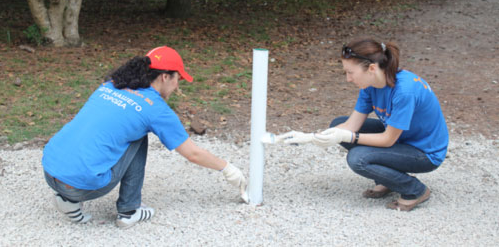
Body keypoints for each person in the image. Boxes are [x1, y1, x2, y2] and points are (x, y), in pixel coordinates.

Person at [42, 46, 247, 228]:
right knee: (139, 137)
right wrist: (228, 169)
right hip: (83, 186)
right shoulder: (154, 108)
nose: (178, 87)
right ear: (165, 77)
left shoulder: (112, 85)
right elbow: (192, 153)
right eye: (178, 79)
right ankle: (129, 211)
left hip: (50, 171)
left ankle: (67, 200)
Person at [271, 38, 449, 211]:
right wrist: (309, 137)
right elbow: (351, 126)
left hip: (424, 152)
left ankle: (415, 191)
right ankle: (387, 180)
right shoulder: (370, 84)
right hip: (401, 137)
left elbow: (387, 140)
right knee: (338, 124)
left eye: (350, 72)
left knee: (358, 159)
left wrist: (347, 136)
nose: (348, 79)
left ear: (371, 68)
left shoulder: (405, 91)